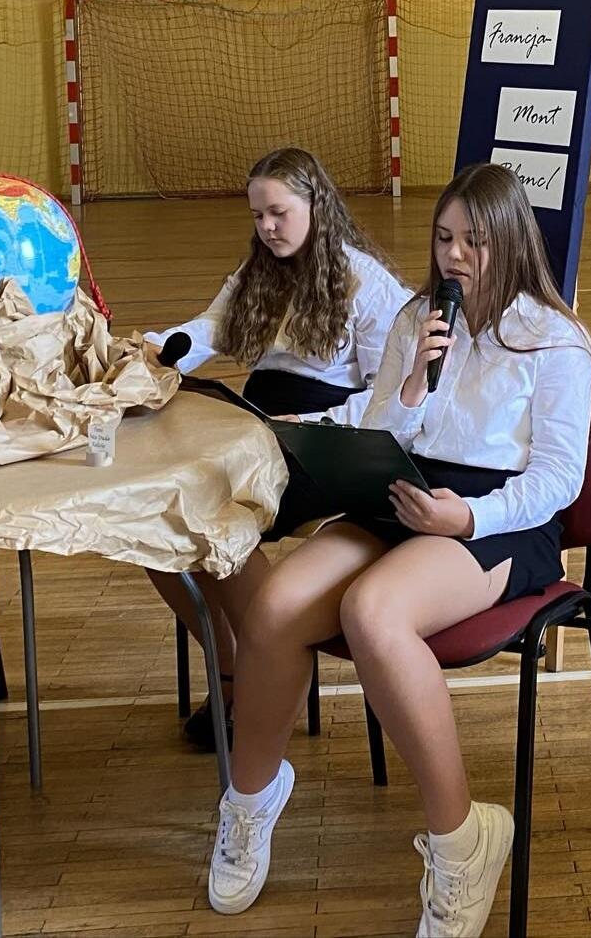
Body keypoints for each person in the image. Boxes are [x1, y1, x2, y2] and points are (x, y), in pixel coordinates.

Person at [204, 163, 591, 937]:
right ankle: (249, 800)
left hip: (496, 518)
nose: (453, 255)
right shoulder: (419, 316)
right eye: (444, 237)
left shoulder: (557, 339)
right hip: (405, 489)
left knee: (373, 611)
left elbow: (559, 478)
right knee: (277, 605)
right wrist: (414, 380)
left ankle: (463, 842)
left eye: (473, 241)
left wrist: (467, 518)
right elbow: (382, 426)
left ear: (510, 242)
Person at [142, 147, 409, 750]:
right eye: (258, 215)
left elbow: (387, 399)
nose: (266, 227)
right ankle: (235, 662)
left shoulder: (365, 282)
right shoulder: (258, 271)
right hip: (261, 428)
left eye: (278, 213)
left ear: (317, 205)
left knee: (215, 517)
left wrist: (309, 421)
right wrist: (154, 349)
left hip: (325, 441)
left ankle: (268, 669)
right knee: (156, 518)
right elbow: (207, 328)